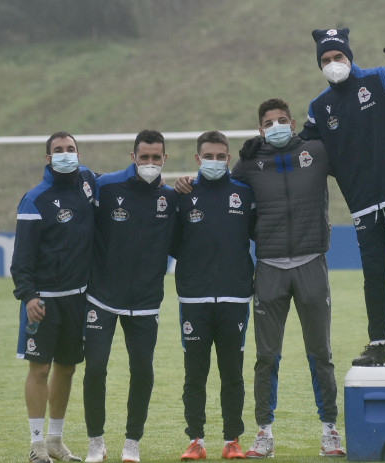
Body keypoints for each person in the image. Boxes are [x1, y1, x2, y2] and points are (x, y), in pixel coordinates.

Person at [176, 99, 345, 458]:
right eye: (269, 122)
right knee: (266, 356)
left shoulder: (317, 151)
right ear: (260, 129)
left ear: (293, 122)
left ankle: (330, 429)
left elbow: (358, 158)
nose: (276, 125)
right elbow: (219, 187)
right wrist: (187, 185)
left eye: (282, 120)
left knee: (321, 353)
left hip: (312, 262)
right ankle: (263, 433)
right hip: (268, 268)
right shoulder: (250, 162)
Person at [299, 28, 385, 366]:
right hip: (361, 201)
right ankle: (377, 344)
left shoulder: (381, 79)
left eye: (338, 57)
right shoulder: (319, 107)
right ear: (319, 64)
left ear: (349, 56)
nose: (333, 64)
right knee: (372, 273)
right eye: (326, 60)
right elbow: (308, 151)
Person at [83, 129, 178, 463]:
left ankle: (132, 443)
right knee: (94, 368)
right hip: (101, 297)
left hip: (146, 301)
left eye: (156, 158)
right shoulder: (106, 187)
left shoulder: (171, 198)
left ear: (164, 159)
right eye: (144, 157)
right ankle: (95, 442)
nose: (149, 163)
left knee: (142, 370)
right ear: (133, 156)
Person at [11, 131, 96, 463]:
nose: (65, 154)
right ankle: (36, 445)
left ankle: (55, 441)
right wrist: (28, 296)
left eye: (70, 149)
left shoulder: (88, 183)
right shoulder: (35, 199)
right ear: (48, 159)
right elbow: (22, 258)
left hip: (77, 298)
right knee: (39, 370)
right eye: (58, 150)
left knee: (67, 368)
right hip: (43, 301)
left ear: (78, 153)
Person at [171, 131, 256, 461]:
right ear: (197, 159)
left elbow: (257, 233)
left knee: (232, 373)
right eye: (209, 156)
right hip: (194, 299)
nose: (216, 161)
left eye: (222, 156)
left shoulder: (244, 195)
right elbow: (173, 243)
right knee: (195, 374)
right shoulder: (183, 195)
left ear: (229, 158)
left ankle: (232, 440)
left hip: (235, 298)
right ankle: (195, 440)